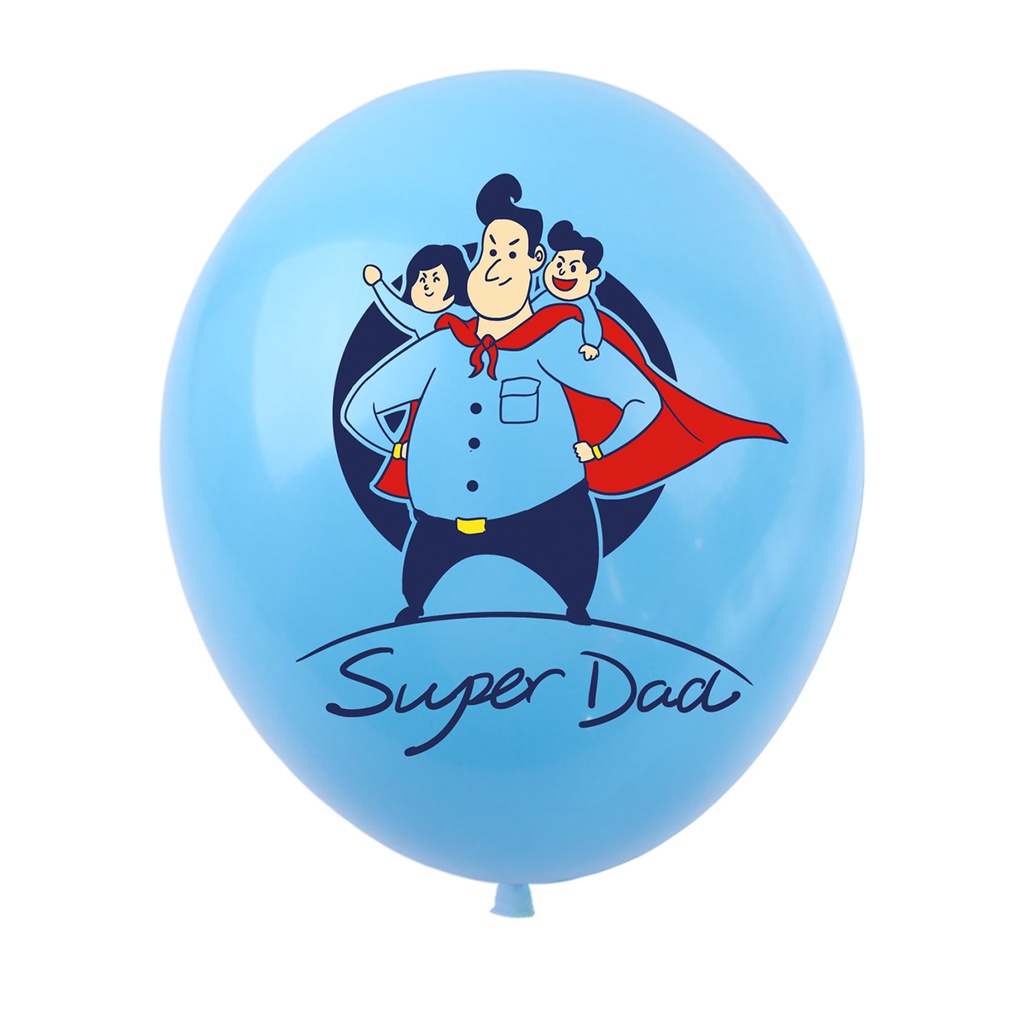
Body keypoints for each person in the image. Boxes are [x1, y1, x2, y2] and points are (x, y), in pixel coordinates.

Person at [343, 174, 661, 625]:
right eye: (490, 252)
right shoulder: (442, 344)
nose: (495, 267)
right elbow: (360, 409)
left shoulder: (555, 341)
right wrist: (402, 448)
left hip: (549, 517)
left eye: (511, 253)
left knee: (574, 612)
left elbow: (642, 400)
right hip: (439, 525)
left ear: (536, 261)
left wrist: (600, 449)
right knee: (413, 610)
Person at [363, 243, 472, 339]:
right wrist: (378, 284)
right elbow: (397, 308)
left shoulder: (472, 308)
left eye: (436, 279)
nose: (427, 286)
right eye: (422, 280)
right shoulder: (418, 317)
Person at [533, 220, 605, 360]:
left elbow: (592, 322)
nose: (562, 271)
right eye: (559, 264)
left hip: (564, 353)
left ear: (592, 274)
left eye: (573, 268)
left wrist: (591, 344)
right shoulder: (544, 295)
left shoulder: (583, 303)